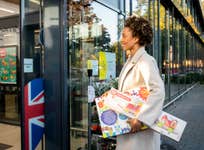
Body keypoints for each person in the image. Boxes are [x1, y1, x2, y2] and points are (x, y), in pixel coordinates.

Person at [117, 16, 165, 150]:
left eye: (124, 36)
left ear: (136, 38)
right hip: (131, 126)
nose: (122, 40)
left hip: (139, 129)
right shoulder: (131, 60)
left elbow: (158, 91)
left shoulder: (146, 61)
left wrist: (141, 118)